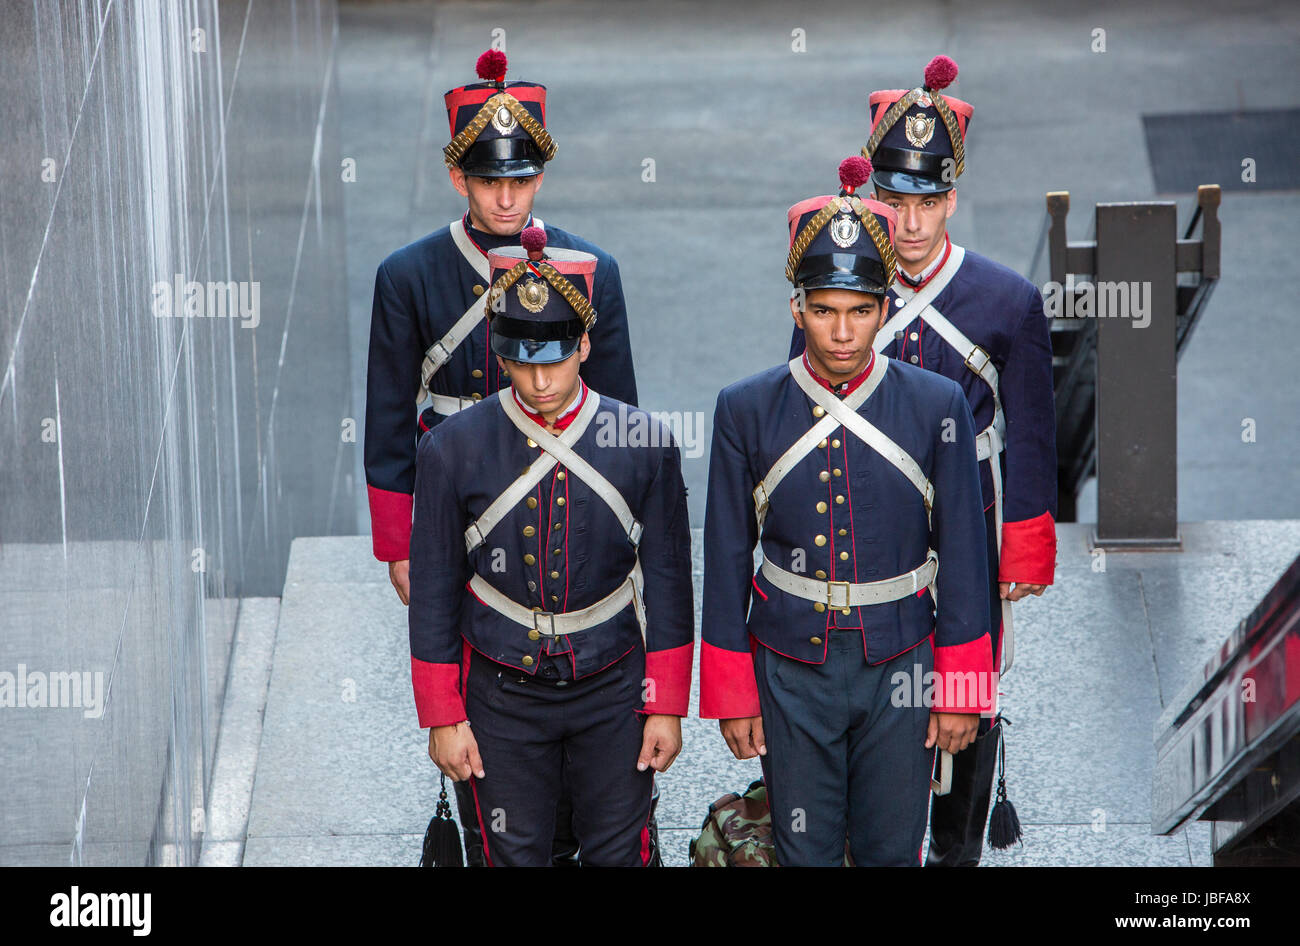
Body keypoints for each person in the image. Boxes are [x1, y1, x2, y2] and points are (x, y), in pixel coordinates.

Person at [365, 48, 639, 864]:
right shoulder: (407, 275)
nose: (507, 196)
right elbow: (387, 420)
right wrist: (402, 543)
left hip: (565, 504)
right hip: (456, 508)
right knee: (474, 687)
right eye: (490, 181)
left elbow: (620, 420)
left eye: (520, 179)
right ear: (459, 179)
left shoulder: (595, 272)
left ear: (541, 177)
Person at [787, 55, 1058, 864]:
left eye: (927, 202)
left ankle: (955, 847)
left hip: (969, 507)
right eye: (894, 201)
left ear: (952, 196)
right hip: (865, 515)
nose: (908, 224)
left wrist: (1026, 546)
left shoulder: (1007, 299)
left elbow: (1034, 435)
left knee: (970, 677)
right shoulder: (834, 281)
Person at [701, 157, 995, 866]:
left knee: (895, 850)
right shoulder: (745, 408)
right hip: (787, 663)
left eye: (860, 310)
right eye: (825, 310)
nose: (841, 332)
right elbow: (723, 554)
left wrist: (961, 687)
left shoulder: (937, 405)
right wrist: (731, 691)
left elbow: (963, 553)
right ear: (796, 306)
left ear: (885, 307)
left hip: (902, 659)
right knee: (803, 850)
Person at [408, 227, 693, 866]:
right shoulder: (451, 448)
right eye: (522, 360)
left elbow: (669, 579)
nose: (538, 379)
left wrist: (666, 705)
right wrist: (442, 715)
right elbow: (432, 589)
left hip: (614, 682)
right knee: (509, 853)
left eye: (555, 357)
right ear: (500, 354)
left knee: (622, 853)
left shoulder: (644, 441)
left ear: (586, 344)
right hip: (499, 686)